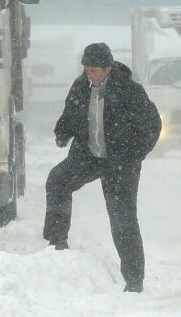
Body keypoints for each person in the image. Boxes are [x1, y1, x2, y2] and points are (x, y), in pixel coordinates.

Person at [43, 42, 161, 293]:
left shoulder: (129, 91)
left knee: (123, 219)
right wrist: (62, 133)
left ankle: (134, 280)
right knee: (57, 180)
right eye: (87, 69)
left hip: (119, 163)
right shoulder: (81, 87)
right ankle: (56, 245)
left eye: (94, 70)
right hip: (88, 156)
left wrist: (134, 155)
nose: (90, 74)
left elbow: (152, 126)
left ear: (108, 69)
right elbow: (71, 112)